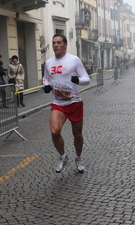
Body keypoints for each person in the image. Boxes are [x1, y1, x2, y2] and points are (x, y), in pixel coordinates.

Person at [43, 34, 90, 173]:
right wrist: (46, 85)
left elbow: (87, 79)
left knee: (77, 135)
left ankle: (78, 158)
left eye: (58, 42)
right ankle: (63, 156)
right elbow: (46, 78)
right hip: (58, 103)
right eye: (53, 43)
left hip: (74, 102)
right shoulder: (48, 63)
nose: (55, 45)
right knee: (54, 131)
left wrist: (78, 80)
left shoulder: (74, 60)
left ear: (65, 45)